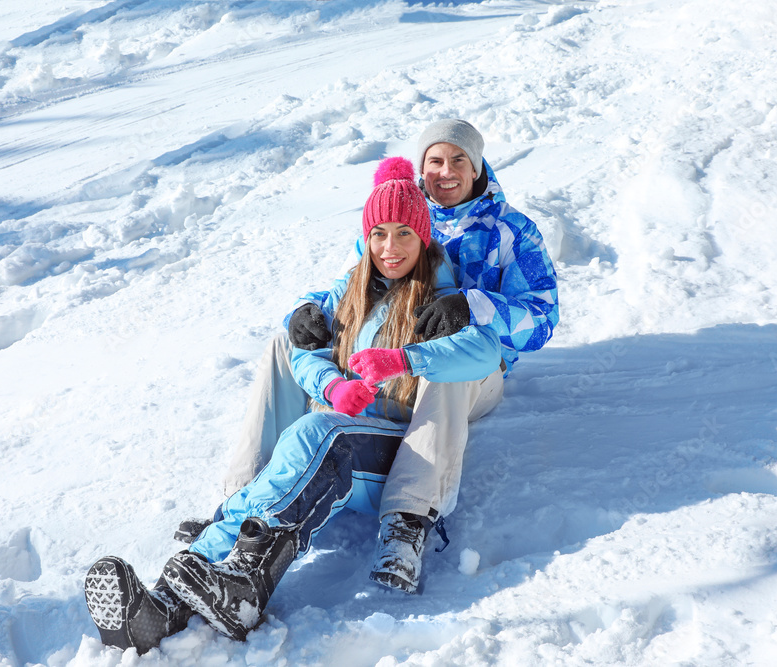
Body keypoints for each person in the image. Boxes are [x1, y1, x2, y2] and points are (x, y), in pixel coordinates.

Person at [84, 157, 502, 653]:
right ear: (366, 237)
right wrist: (330, 385)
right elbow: (300, 347)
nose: (391, 248)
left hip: (395, 450)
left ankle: (249, 579)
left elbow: (485, 354)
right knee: (288, 459)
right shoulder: (350, 290)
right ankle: (165, 605)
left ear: (425, 237)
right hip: (343, 437)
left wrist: (402, 359)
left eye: (405, 234)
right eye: (380, 234)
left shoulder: (443, 295)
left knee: (315, 434)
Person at [224, 119, 560, 594]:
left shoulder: (511, 231)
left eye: (458, 159)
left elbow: (542, 315)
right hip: (388, 356)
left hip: (476, 367)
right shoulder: (402, 210)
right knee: (286, 343)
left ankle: (408, 519)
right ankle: (245, 501)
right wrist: (306, 310)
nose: (446, 171)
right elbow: (361, 281)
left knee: (444, 368)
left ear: (478, 164)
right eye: (435, 161)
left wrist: (474, 304)